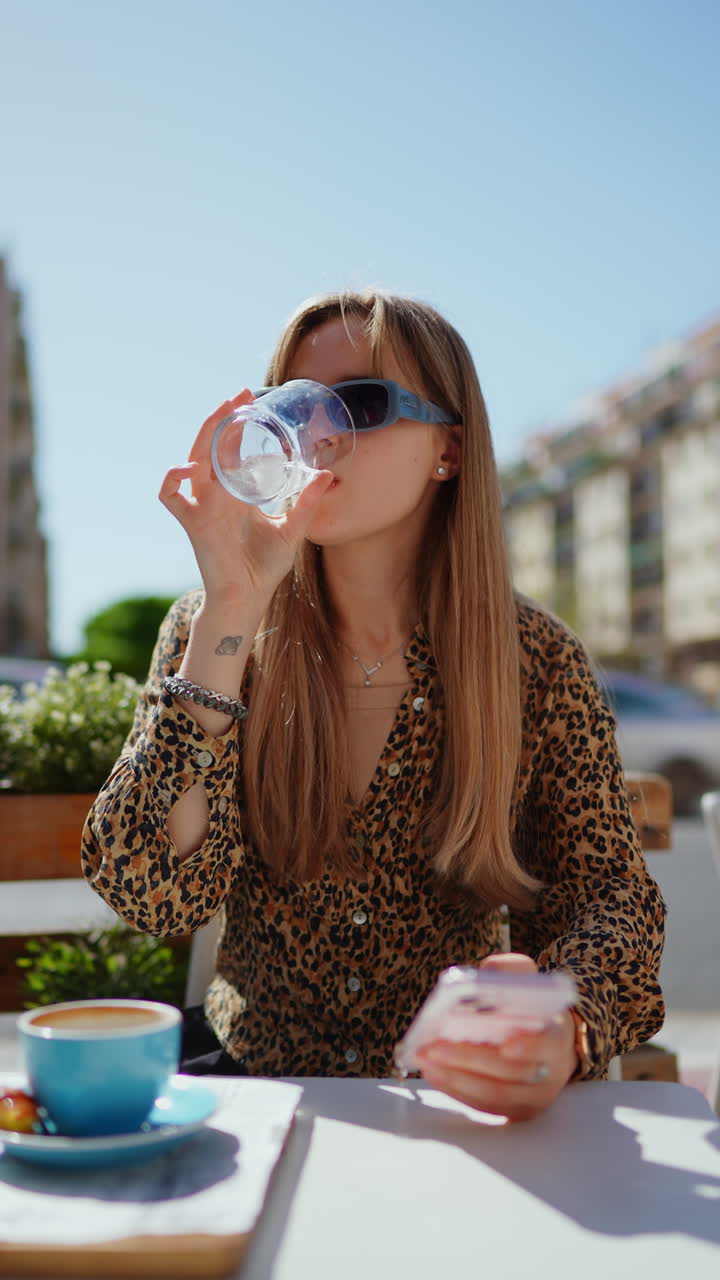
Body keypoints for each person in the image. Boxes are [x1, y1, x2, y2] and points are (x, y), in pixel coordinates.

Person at [81, 289, 666, 1122]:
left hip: (457, 1105)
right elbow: (155, 895)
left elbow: (609, 895)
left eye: (357, 403)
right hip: (256, 1099)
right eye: (295, 405)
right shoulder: (212, 626)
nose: (317, 434)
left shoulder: (532, 658)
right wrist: (231, 620)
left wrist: (565, 1026)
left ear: (449, 452)